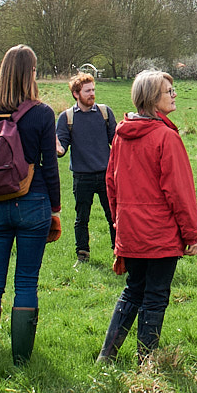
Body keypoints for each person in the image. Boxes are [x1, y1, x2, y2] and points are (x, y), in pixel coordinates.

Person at [97, 69, 197, 363]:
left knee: (134, 290)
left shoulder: (121, 135)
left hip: (131, 231)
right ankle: (148, 362)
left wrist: (119, 222)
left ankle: (107, 355)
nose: (174, 95)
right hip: (160, 234)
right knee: (155, 295)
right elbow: (180, 192)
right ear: (154, 99)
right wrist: (191, 234)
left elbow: (111, 184)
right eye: (169, 91)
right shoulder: (166, 138)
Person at [0, 44, 61, 364]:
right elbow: (49, 166)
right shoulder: (42, 113)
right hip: (34, 202)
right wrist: (55, 210)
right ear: (31, 73)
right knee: (26, 280)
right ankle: (21, 358)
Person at [55, 70, 118, 264]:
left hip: (107, 175)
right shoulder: (66, 118)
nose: (92, 94)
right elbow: (61, 150)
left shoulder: (104, 112)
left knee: (114, 217)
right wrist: (52, 143)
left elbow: (116, 142)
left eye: (93, 90)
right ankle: (82, 255)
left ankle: (120, 253)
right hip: (82, 177)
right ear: (76, 94)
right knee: (82, 218)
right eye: (87, 91)